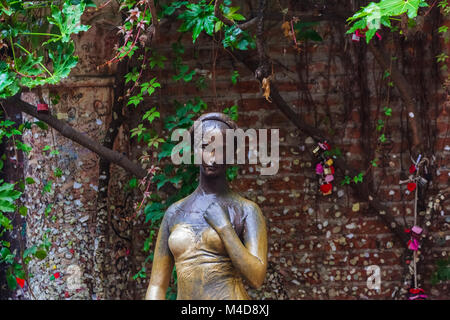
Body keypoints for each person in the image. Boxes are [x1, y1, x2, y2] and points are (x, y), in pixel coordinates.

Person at [145, 112, 268, 300]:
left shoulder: (246, 210)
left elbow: (257, 278)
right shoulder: (175, 213)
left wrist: (225, 228)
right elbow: (156, 285)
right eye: (205, 147)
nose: (213, 157)